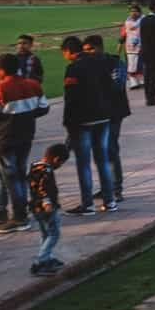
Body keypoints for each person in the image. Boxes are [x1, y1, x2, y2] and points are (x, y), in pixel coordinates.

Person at [59, 36, 115, 214]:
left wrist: (68, 121)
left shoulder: (73, 68)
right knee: (102, 161)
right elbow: (110, 88)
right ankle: (110, 200)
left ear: (68, 51)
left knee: (83, 163)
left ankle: (88, 204)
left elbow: (71, 98)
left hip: (82, 120)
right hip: (103, 117)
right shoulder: (100, 63)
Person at [0, 53, 47, 232]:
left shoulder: (1, 88)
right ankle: (3, 213)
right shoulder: (33, 85)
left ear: (2, 70)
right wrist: (25, 116)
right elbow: (43, 108)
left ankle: (19, 217)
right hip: (26, 136)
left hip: (5, 139)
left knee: (12, 178)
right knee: (14, 174)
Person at [82, 34, 129, 205]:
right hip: (97, 114)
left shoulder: (115, 62)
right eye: (85, 50)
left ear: (100, 47)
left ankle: (116, 189)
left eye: (91, 49)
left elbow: (117, 86)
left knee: (110, 149)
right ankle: (107, 186)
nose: (88, 53)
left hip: (114, 112)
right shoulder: (87, 66)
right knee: (100, 151)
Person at [29, 143, 70, 275]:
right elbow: (43, 187)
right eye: (61, 163)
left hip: (35, 207)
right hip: (46, 207)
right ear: (56, 159)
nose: (59, 166)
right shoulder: (46, 171)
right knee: (54, 234)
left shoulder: (34, 166)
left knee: (45, 234)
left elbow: (32, 185)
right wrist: (47, 202)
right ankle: (40, 262)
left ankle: (48, 258)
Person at [137, 0, 155, 105]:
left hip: (145, 50)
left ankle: (148, 97)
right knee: (153, 76)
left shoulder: (143, 20)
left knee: (147, 75)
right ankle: (152, 98)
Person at [119, 4, 144, 89]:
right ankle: (133, 82)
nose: (133, 13)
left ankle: (140, 80)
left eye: (135, 11)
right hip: (129, 47)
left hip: (141, 46)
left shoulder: (143, 21)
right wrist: (119, 47)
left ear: (140, 12)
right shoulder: (127, 23)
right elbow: (122, 36)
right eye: (132, 11)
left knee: (140, 64)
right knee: (131, 65)